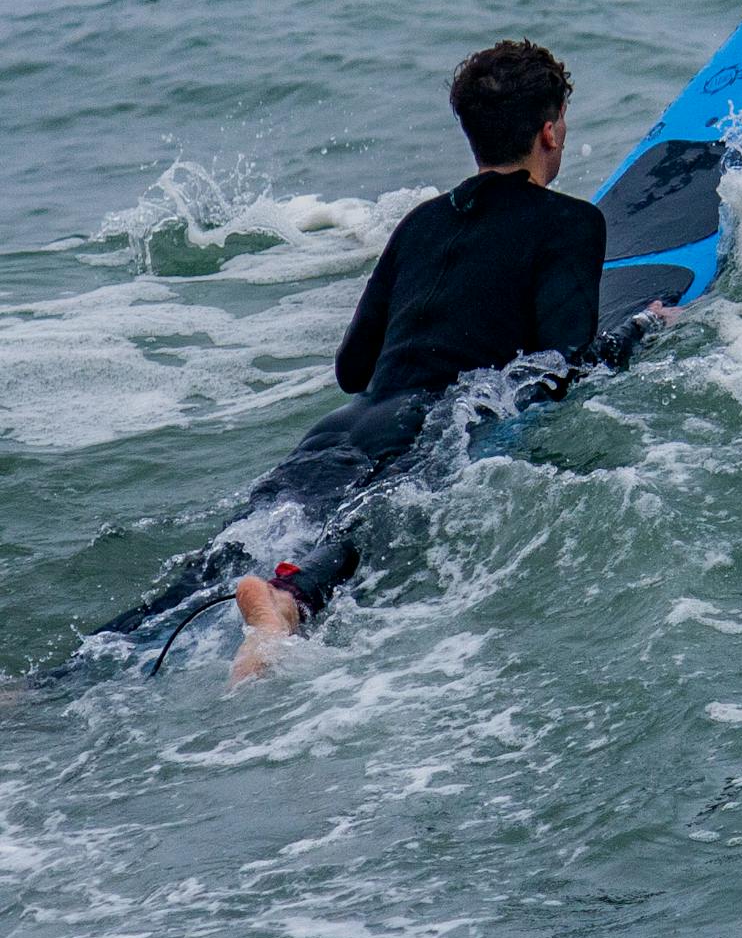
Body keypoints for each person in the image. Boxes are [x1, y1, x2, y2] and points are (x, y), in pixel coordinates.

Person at [226, 39, 620, 680]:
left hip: (344, 426)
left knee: (227, 552)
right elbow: (562, 365)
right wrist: (642, 334)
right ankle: (289, 602)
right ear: (550, 131)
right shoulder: (570, 223)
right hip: (428, 422)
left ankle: (49, 683)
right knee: (370, 525)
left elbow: (352, 369)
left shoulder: (421, 222)